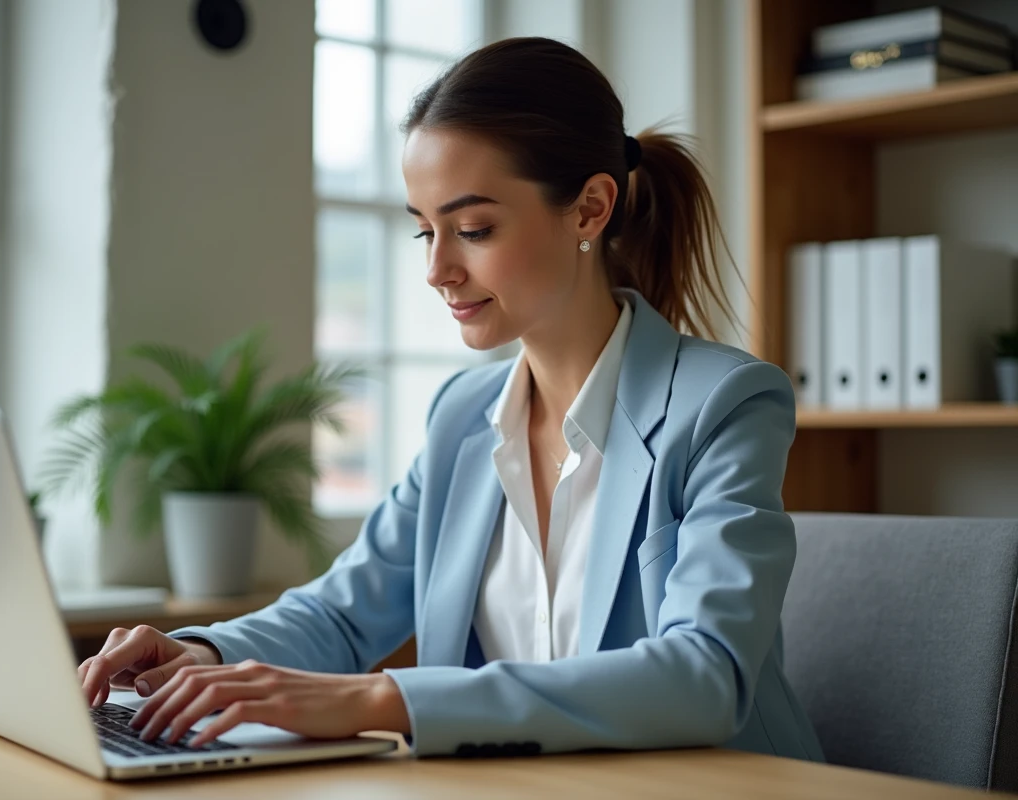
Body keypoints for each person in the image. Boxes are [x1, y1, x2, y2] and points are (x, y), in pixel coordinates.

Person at [78, 36, 824, 761]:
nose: (438, 268)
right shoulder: (462, 417)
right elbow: (342, 613)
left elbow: (705, 676)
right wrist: (202, 649)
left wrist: (384, 702)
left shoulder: (725, 403)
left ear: (591, 209)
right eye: (424, 232)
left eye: (472, 228)